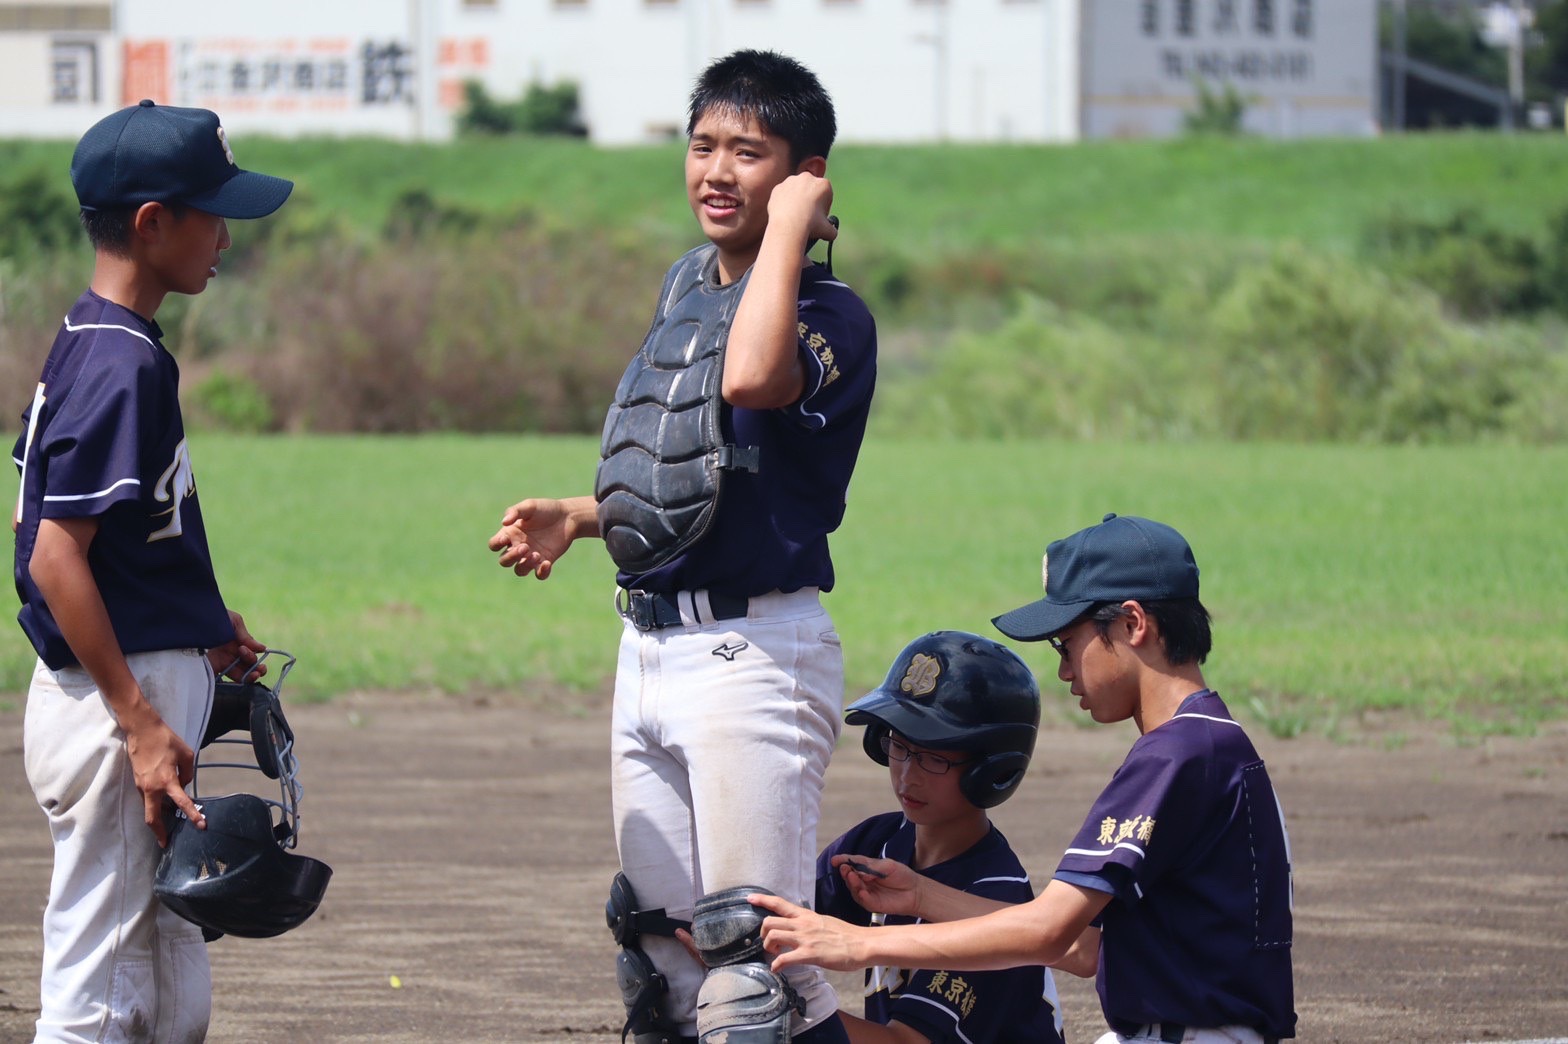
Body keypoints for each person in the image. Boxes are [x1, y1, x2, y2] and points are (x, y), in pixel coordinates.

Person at [488, 50, 876, 1043]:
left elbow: (750, 380)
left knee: (756, 970)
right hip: (650, 652)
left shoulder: (831, 317)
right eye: (702, 145)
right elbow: (697, 465)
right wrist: (582, 515)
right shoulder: (682, 290)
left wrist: (788, 226)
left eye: (748, 153)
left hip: (753, 659)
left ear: (805, 172)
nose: (715, 170)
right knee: (659, 960)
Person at [752, 514, 1297, 1044]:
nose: (1064, 671)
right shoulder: (1210, 740)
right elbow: (1083, 948)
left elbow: (1049, 929)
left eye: (1068, 643)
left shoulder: (1177, 753)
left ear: (1133, 624)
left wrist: (856, 944)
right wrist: (919, 893)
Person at [11, 99, 290, 1042]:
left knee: (171, 980)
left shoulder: (101, 339)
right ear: (151, 222)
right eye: (211, 213)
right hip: (109, 705)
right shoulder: (121, 363)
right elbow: (57, 556)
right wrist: (137, 719)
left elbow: (130, 531)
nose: (225, 234)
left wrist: (203, 620)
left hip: (129, 681)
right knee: (102, 985)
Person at [817, 631, 1067, 1044]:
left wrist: (793, 1010)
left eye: (933, 757)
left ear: (991, 768)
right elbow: (795, 912)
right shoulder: (878, 840)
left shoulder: (994, 895)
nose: (907, 775)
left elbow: (906, 1042)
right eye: (899, 745)